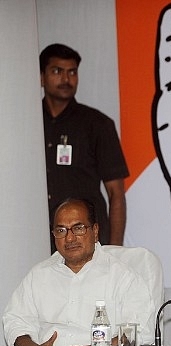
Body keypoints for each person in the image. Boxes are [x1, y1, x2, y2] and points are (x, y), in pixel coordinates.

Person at [2, 199, 154, 346]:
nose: (69, 238)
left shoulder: (123, 277)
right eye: (61, 230)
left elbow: (136, 334)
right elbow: (15, 322)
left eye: (78, 228)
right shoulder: (39, 275)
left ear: (95, 231)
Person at [40, 43, 129, 248]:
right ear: (41, 77)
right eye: (57, 71)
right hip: (36, 239)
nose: (66, 79)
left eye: (72, 72)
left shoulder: (97, 124)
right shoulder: (26, 123)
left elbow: (116, 193)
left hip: (85, 242)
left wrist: (114, 251)